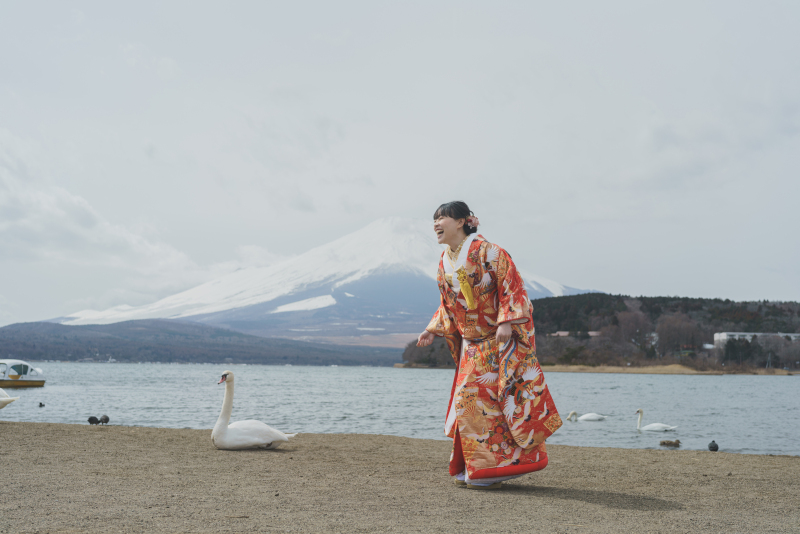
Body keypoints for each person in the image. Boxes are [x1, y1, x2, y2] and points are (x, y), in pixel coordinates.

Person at [417, 201, 562, 489]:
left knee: (479, 401)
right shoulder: (445, 261)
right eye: (434, 219)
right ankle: (474, 468)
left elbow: (512, 286)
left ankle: (487, 470)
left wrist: (506, 321)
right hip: (472, 344)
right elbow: (448, 305)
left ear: (461, 222)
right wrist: (432, 328)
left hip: (496, 341)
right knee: (471, 403)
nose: (436, 224)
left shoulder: (490, 252)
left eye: (442, 218)